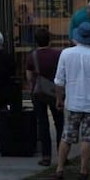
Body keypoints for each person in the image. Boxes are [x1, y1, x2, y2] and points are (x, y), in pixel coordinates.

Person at [51, 21, 90, 180]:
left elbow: (59, 81)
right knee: (87, 139)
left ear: (76, 37)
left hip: (73, 102)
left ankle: (59, 168)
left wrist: (59, 99)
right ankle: (83, 170)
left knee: (66, 137)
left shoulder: (65, 54)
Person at [27, 27, 61, 166]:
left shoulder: (32, 56)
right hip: (54, 91)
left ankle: (46, 156)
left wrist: (32, 85)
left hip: (39, 91)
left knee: (43, 123)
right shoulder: (57, 55)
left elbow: (29, 76)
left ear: (36, 41)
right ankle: (62, 153)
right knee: (60, 123)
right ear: (50, 40)